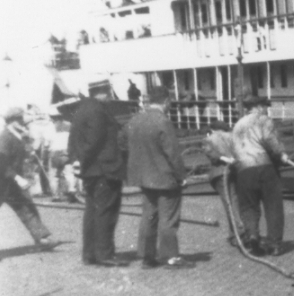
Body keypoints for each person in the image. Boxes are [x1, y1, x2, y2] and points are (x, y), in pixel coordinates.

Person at [126, 87, 191, 269]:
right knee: (168, 219)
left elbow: (123, 142)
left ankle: (147, 256)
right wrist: (181, 176)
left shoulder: (135, 120)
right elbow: (173, 153)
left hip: (144, 178)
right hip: (165, 178)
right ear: (166, 101)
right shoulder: (163, 121)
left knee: (149, 216)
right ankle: (170, 257)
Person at [69, 80, 126, 267]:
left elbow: (74, 139)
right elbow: (94, 141)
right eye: (108, 92)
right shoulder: (98, 111)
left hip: (91, 171)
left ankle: (90, 254)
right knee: (106, 212)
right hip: (104, 169)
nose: (110, 97)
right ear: (103, 92)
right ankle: (104, 254)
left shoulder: (82, 109)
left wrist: (78, 162)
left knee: (92, 212)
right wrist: (85, 159)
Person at [0, 108, 53, 249]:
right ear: (11, 121)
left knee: (26, 206)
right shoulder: (4, 138)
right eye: (19, 119)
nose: (23, 122)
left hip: (11, 182)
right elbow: (0, 162)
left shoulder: (18, 136)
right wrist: (17, 178)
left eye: (22, 119)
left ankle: (41, 238)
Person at [232, 96, 288, 256]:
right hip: (264, 167)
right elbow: (270, 139)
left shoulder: (237, 125)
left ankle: (252, 235)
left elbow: (234, 149)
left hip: (244, 171)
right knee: (273, 206)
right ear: (258, 107)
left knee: (249, 206)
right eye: (265, 107)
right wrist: (281, 154)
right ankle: (275, 244)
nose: (266, 110)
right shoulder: (263, 120)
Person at [203, 120, 244, 246]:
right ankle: (234, 234)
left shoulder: (210, 138)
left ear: (213, 129)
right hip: (236, 171)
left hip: (220, 173)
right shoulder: (233, 137)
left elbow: (209, 152)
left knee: (229, 204)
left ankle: (240, 233)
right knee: (235, 200)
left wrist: (223, 158)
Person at [47, 114, 80, 203]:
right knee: (69, 174)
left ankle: (56, 196)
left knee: (54, 176)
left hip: (54, 152)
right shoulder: (70, 125)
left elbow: (47, 142)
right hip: (66, 152)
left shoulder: (51, 126)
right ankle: (72, 191)